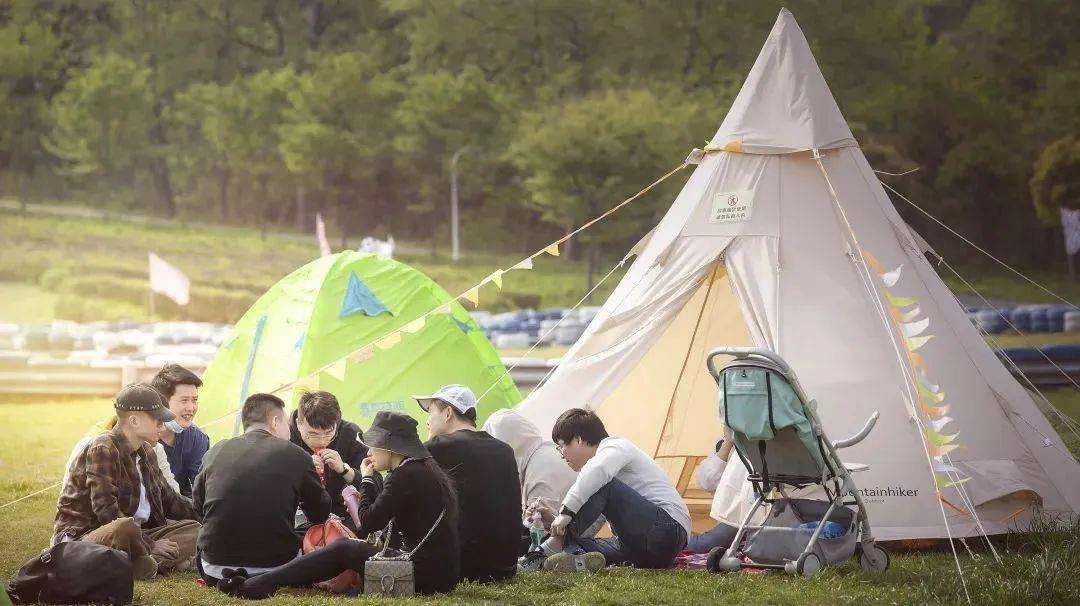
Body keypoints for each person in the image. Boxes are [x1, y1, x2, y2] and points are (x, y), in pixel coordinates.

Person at [217, 411, 460, 598]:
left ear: (389, 447)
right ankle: (262, 580)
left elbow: (366, 523)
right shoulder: (421, 470)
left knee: (344, 548)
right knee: (346, 548)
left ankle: (259, 583)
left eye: (373, 445)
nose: (369, 451)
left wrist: (367, 479)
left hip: (423, 575)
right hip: (441, 573)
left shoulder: (404, 475)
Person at [54, 383, 201, 581]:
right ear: (134, 421)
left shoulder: (147, 451)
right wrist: (151, 544)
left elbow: (172, 501)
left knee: (195, 529)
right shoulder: (103, 447)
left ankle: (139, 564)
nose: (163, 425)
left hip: (138, 537)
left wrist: (211, 514)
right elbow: (106, 512)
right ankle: (146, 562)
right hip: (89, 537)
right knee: (124, 526)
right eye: (157, 420)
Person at [520, 408, 690, 573]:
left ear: (579, 440)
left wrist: (566, 512)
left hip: (668, 530)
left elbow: (598, 471)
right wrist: (554, 521)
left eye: (561, 445)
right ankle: (575, 558)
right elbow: (589, 523)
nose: (561, 454)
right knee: (586, 545)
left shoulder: (616, 446)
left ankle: (546, 551)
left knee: (603, 483)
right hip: (645, 548)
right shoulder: (600, 475)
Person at [192, 393, 331, 586]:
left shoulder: (215, 451)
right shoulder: (296, 454)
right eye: (286, 424)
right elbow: (320, 513)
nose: (290, 432)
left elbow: (198, 506)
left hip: (213, 567)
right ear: (275, 422)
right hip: (277, 567)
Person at [420, 385, 521, 583]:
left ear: (448, 413)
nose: (427, 421)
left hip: (462, 568)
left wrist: (426, 447)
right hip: (505, 565)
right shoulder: (504, 450)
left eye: (431, 413)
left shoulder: (436, 448)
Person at [288, 390, 377, 532]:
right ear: (299, 423)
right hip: (299, 517)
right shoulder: (285, 438)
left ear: (337, 422)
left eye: (329, 432)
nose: (322, 440)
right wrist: (302, 470)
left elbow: (376, 483)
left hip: (344, 515)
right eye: (312, 433)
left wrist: (345, 470)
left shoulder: (351, 433)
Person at [151, 364, 209, 497]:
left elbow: (199, 489)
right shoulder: (142, 438)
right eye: (184, 400)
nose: (191, 408)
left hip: (180, 505)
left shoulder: (197, 439)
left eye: (194, 400)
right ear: (161, 403)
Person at [686, 433, 740, 553]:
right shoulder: (724, 442)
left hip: (748, 517)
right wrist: (727, 443)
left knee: (700, 545)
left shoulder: (757, 443)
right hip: (729, 519)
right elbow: (707, 482)